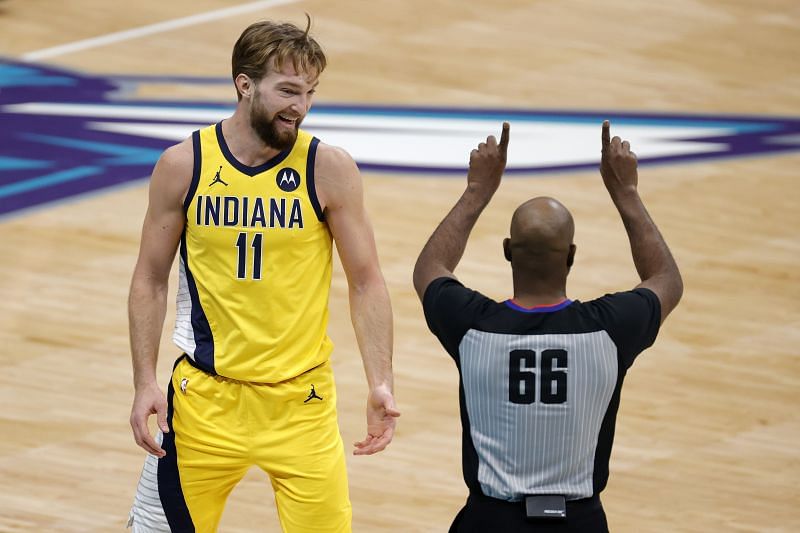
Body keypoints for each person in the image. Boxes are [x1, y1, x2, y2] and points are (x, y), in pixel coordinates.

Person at [126, 17, 400, 533]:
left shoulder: (328, 168)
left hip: (302, 404)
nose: (300, 106)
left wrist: (380, 382)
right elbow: (149, 278)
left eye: (310, 93)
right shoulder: (184, 165)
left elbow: (367, 281)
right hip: (203, 403)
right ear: (244, 84)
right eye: (288, 90)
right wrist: (143, 382)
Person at [413, 121, 682, 532]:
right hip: (579, 521)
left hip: (489, 520)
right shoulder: (610, 330)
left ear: (507, 252)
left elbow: (430, 268)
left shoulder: (471, 326)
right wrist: (625, 192)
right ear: (571, 255)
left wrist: (477, 191)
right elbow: (665, 279)